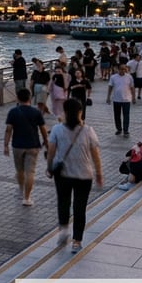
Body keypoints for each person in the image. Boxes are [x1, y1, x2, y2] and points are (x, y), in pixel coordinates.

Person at [46, 98, 103, 254]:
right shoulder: (88, 130)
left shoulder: (57, 129)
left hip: (62, 174)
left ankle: (63, 230)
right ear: (80, 112)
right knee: (80, 208)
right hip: (84, 175)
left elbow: (51, 151)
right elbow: (95, 154)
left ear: (64, 112)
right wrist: (99, 173)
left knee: (63, 203)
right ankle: (77, 242)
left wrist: (49, 167)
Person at [4, 88, 48, 207]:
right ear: (30, 98)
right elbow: (43, 130)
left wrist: (5, 145)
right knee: (30, 172)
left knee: (20, 171)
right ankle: (27, 198)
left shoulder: (13, 112)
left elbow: (8, 129)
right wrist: (47, 143)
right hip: (33, 145)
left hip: (17, 146)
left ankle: (20, 188)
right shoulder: (36, 112)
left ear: (18, 98)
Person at [106, 64, 135, 137]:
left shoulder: (129, 77)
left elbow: (132, 87)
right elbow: (110, 87)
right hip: (116, 99)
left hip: (126, 99)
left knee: (126, 116)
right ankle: (119, 129)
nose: (123, 70)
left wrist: (133, 97)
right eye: (121, 69)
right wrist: (108, 97)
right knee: (117, 115)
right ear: (118, 69)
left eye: (124, 69)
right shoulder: (113, 77)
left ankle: (126, 130)